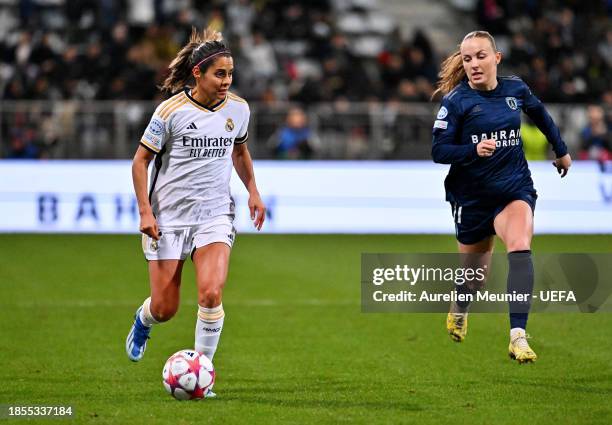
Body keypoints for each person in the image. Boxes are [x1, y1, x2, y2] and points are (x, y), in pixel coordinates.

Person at [125, 28, 266, 395]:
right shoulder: (170, 112)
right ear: (198, 73)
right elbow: (141, 162)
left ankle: (203, 373)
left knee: (211, 294)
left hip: (215, 213)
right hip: (168, 217)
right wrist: (145, 212)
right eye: (220, 74)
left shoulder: (239, 108)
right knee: (165, 308)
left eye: (230, 74)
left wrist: (253, 191)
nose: (227, 81)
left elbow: (239, 151)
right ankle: (144, 320)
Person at [431, 30, 572, 363]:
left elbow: (541, 115)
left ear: (496, 58)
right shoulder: (456, 102)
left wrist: (561, 150)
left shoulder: (515, 89)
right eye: (467, 59)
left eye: (481, 56)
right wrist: (473, 149)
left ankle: (518, 336)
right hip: (472, 199)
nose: (474, 64)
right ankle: (460, 304)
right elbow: (438, 150)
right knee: (476, 278)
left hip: (514, 188)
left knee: (520, 247)